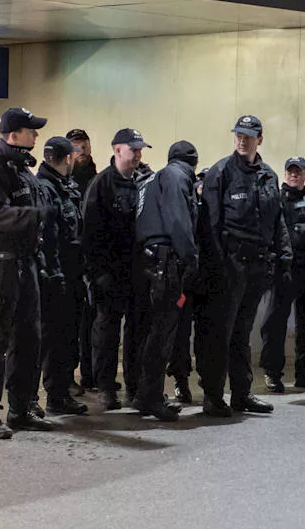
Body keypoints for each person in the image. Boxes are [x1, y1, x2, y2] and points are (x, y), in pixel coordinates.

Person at [0, 108, 56, 438]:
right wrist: (33, 215)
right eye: (31, 130)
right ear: (12, 135)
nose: (36, 135)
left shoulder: (22, 170)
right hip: (1, 266)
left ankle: (22, 407)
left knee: (29, 339)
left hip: (25, 264)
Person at [199, 115, 292, 416]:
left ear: (259, 139)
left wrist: (282, 258)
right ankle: (213, 396)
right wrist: (218, 266)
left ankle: (241, 393)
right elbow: (210, 226)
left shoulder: (268, 176)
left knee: (242, 333)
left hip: (258, 267)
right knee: (220, 333)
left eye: (249, 136)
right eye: (238, 134)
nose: (242, 140)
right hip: (230, 266)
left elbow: (277, 222)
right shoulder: (220, 173)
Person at [83, 128, 153, 411]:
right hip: (109, 272)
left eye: (140, 150)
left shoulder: (144, 182)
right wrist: (98, 273)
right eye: (132, 149)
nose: (137, 154)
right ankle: (106, 387)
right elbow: (89, 233)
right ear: (116, 150)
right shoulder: (101, 185)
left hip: (137, 271)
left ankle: (135, 387)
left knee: (138, 331)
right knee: (107, 332)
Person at [134, 140, 201, 421]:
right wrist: (190, 258)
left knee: (154, 333)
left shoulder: (155, 178)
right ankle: (149, 397)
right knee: (162, 334)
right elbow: (179, 221)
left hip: (151, 261)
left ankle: (146, 394)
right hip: (167, 263)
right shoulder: (177, 177)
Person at [34, 136, 89, 416]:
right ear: (67, 158)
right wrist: (54, 274)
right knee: (55, 338)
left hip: (72, 273)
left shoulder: (64, 187)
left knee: (68, 336)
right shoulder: (46, 189)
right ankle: (55, 395)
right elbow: (50, 237)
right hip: (57, 276)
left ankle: (62, 390)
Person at [260, 157, 305, 393]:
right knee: (275, 322)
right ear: (285, 175)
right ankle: (272, 373)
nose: (294, 175)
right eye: (290, 171)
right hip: (283, 269)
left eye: (299, 172)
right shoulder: (275, 200)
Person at [169, 168, 217, 404]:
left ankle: (208, 382)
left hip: (207, 283)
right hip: (187, 283)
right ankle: (181, 379)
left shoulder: (216, 211)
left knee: (207, 335)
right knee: (181, 333)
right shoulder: (188, 206)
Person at [66, 128, 98, 391]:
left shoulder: (97, 180)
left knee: (91, 322)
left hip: (92, 262)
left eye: (84, 146)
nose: (82, 152)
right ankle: (67, 377)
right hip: (70, 263)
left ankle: (90, 374)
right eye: (76, 147)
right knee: (70, 324)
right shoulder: (64, 184)